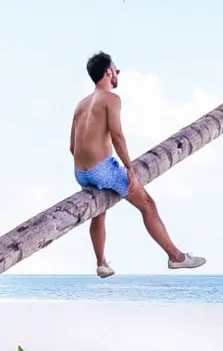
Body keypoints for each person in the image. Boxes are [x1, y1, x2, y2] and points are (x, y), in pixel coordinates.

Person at [70, 51, 206, 278]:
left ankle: (101, 263)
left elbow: (72, 147)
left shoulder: (80, 105)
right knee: (148, 205)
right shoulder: (111, 99)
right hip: (102, 171)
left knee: (100, 212)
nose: (117, 75)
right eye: (117, 70)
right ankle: (176, 257)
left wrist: (91, 166)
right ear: (108, 72)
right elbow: (117, 136)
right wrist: (129, 168)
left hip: (80, 173)